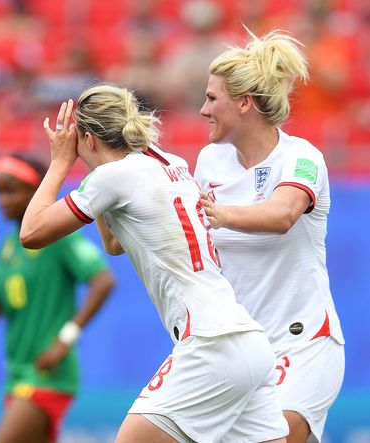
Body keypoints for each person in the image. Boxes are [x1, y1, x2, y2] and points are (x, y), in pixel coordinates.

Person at [19, 86, 289, 442]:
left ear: (86, 137)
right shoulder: (171, 163)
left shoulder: (113, 178)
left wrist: (59, 163)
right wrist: (94, 174)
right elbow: (114, 244)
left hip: (210, 343)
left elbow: (31, 233)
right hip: (250, 344)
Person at [195, 29, 344, 443]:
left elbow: (283, 214)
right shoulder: (210, 159)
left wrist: (218, 214)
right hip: (241, 354)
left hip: (302, 343)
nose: (202, 110)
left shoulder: (301, 157)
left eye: (211, 98)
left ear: (244, 103)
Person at [0, 153, 116, 443]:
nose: (2, 200)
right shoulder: (8, 248)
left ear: (35, 191)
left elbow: (103, 281)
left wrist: (65, 339)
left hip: (47, 374)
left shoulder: (58, 236)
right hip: (18, 373)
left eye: (11, 191)